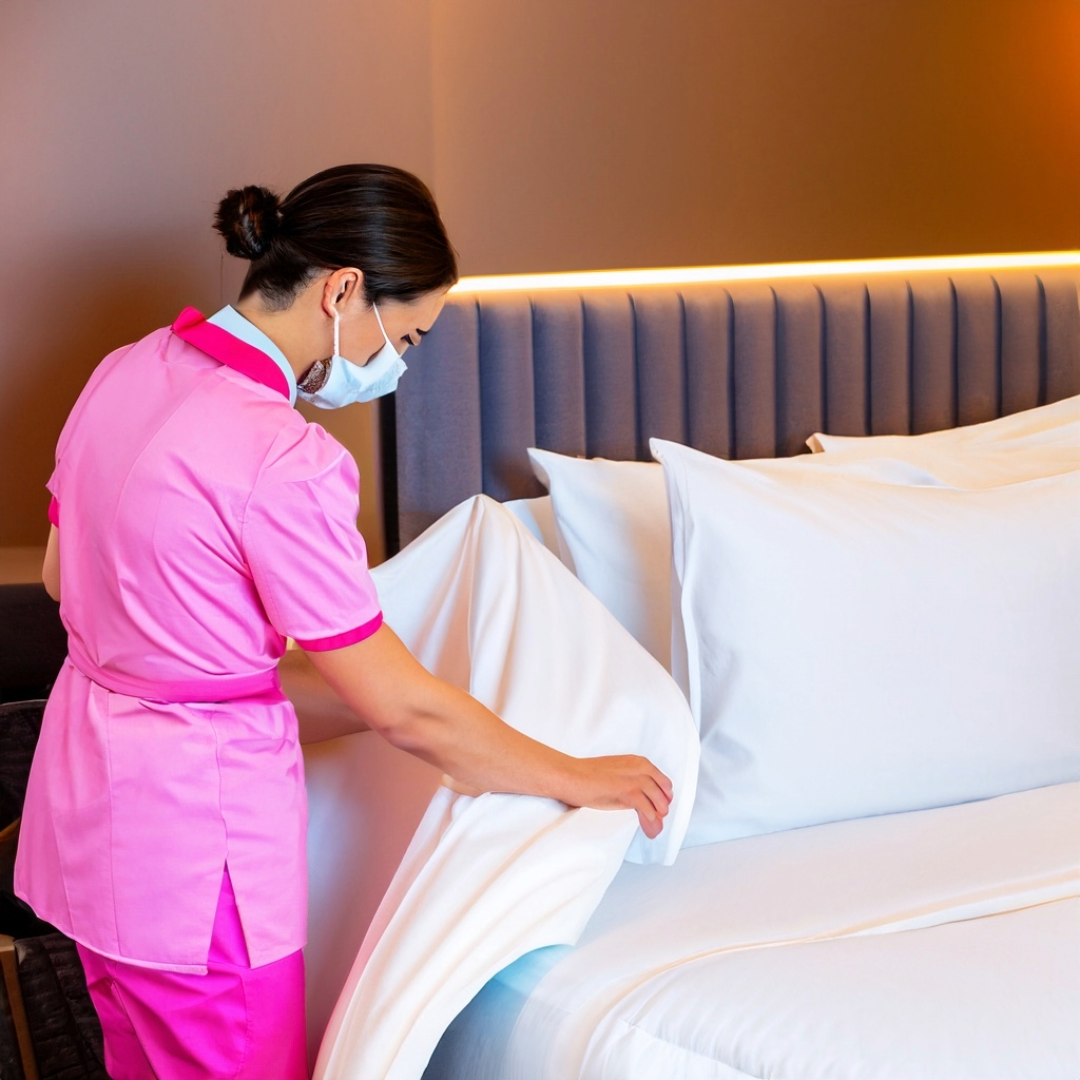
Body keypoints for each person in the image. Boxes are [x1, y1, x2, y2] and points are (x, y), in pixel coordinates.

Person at [14, 164, 672, 1080]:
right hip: (200, 864)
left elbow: (61, 578)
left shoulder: (126, 370)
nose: (398, 362)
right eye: (406, 336)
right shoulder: (283, 458)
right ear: (342, 290)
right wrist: (580, 775)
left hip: (87, 820)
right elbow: (406, 711)